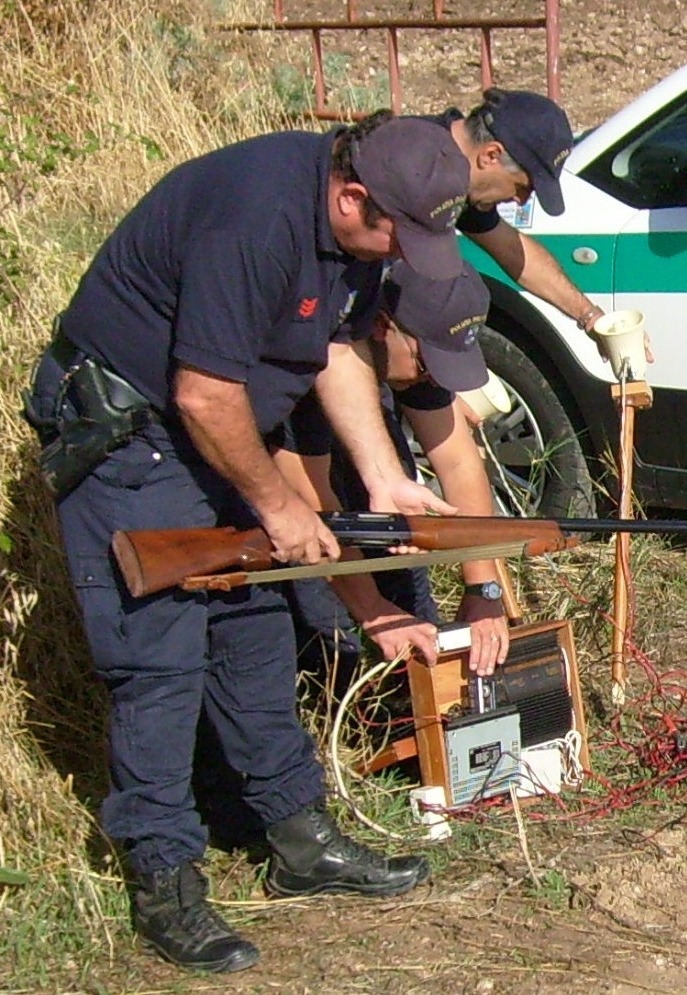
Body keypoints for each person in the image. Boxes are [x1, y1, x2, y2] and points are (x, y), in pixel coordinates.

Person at [24, 117, 469, 975]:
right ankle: (163, 879)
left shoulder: (362, 228)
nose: (399, 255)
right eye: (395, 237)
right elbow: (200, 394)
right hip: (136, 433)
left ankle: (297, 838)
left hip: (221, 430)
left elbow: (333, 345)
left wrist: (379, 473)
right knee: (157, 665)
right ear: (351, 197)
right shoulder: (255, 219)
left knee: (256, 634)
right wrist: (278, 507)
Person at [278, 258, 514, 680]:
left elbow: (459, 462)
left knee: (411, 596)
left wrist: (484, 587)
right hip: (278, 470)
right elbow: (311, 501)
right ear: (382, 325)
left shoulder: (412, 359)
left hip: (361, 403)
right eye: (427, 366)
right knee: (327, 637)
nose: (431, 381)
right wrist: (374, 612)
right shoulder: (305, 369)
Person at [415, 88, 651, 356]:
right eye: (522, 187)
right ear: (491, 155)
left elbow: (513, 251)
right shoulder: (408, 165)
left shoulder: (463, 181)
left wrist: (592, 318)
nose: (520, 201)